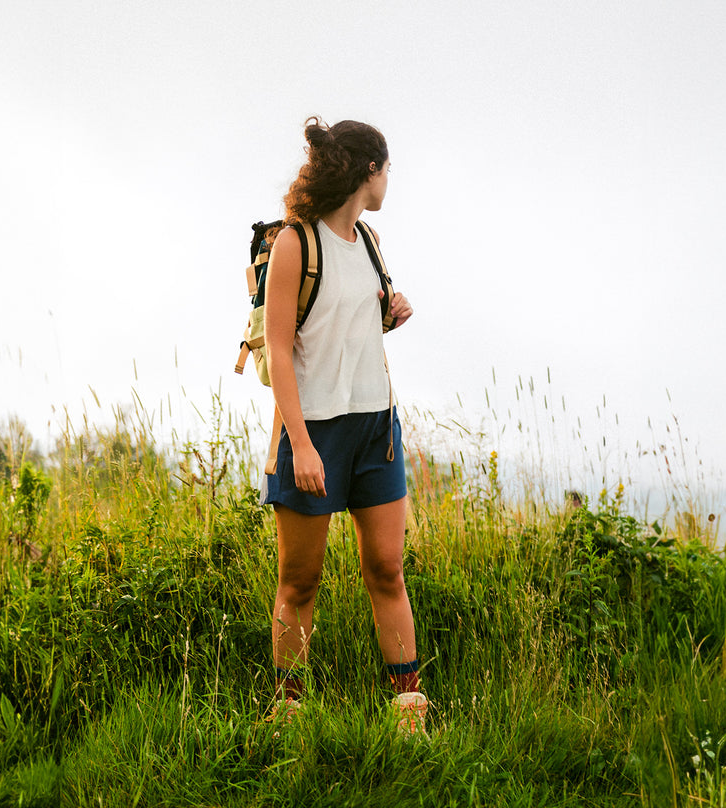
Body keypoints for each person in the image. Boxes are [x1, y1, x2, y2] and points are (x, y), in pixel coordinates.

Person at [260, 116, 426, 733]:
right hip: (315, 432)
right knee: (300, 581)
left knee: (387, 568)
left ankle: (409, 715)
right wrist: (299, 445)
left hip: (376, 428)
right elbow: (281, 350)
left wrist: (390, 313)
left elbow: (343, 326)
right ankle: (288, 716)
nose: (390, 181)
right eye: (387, 170)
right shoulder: (294, 245)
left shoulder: (371, 241)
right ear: (368, 172)